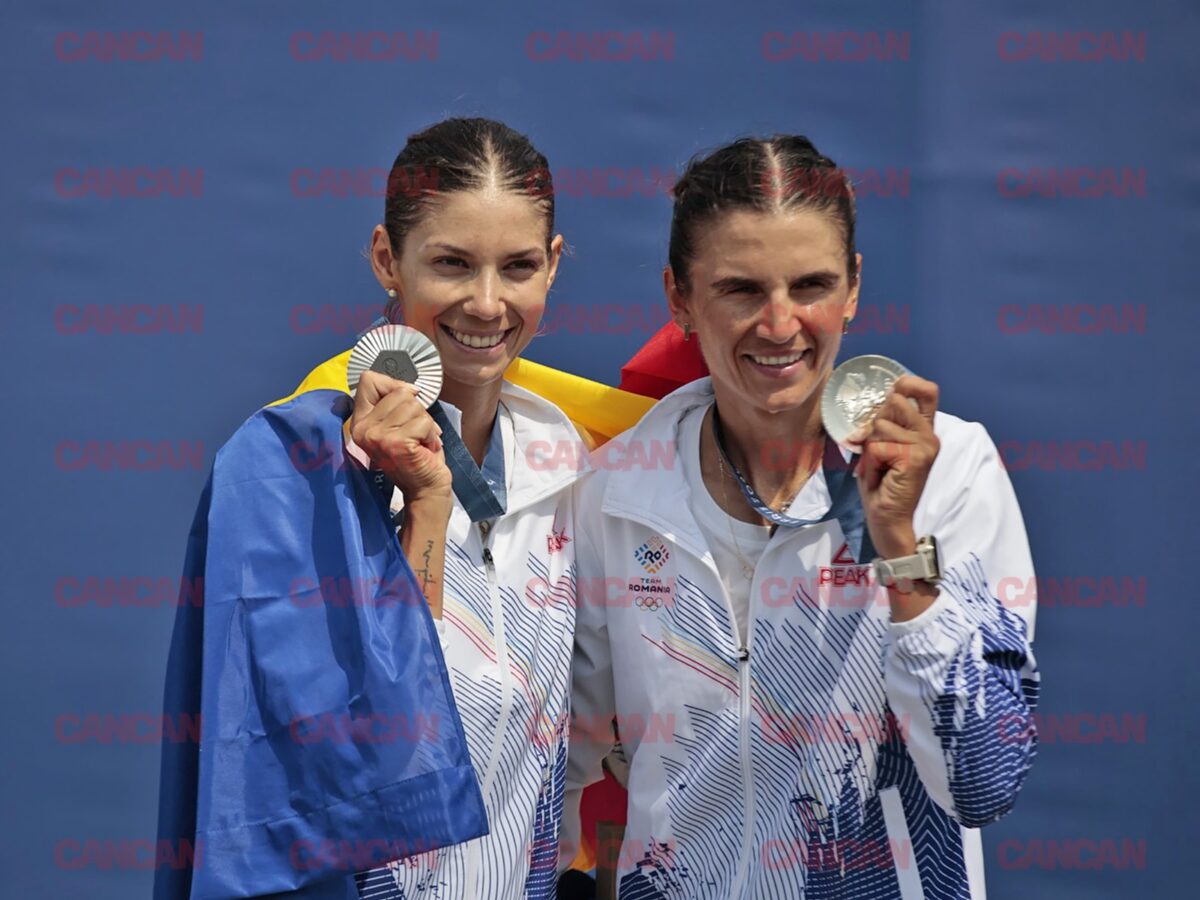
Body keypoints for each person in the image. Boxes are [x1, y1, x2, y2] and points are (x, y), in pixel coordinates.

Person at [157, 117, 629, 900]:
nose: (487, 303)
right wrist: (430, 509)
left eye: (517, 266)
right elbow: (361, 755)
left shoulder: (565, 455)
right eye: (451, 263)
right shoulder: (294, 470)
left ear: (551, 266)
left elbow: (580, 740)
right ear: (388, 259)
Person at [564, 135, 1040, 898]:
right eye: (742, 289)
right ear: (679, 297)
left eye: (811, 285)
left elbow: (982, 780)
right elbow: (554, 770)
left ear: (854, 288)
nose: (781, 325)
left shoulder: (950, 472)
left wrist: (897, 548)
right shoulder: (616, 494)